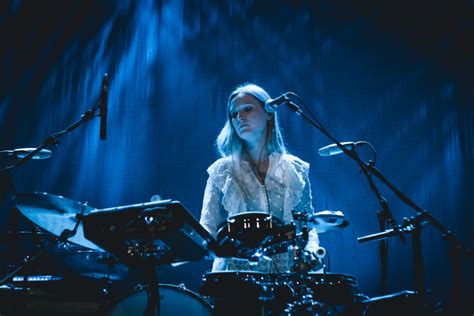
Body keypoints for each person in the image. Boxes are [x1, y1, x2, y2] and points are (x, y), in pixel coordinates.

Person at [199, 83, 320, 274]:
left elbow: (307, 226)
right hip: (236, 276)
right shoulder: (221, 171)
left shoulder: (296, 168)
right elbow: (208, 226)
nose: (240, 117)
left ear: (269, 113)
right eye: (234, 114)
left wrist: (313, 253)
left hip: (287, 276)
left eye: (247, 109)